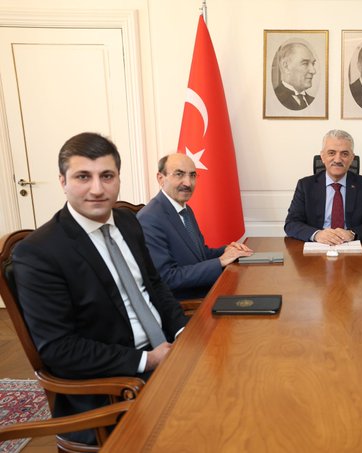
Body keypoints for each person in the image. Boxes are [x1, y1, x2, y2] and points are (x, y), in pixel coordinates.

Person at [12, 132, 188, 444]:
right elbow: (59, 349)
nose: (97, 189)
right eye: (83, 176)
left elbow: (155, 284)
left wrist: (183, 332)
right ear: (63, 181)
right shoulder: (39, 252)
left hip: (168, 355)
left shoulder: (128, 222)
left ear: (118, 178)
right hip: (113, 386)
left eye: (107, 176)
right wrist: (148, 360)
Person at [137, 153, 253, 299]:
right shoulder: (149, 218)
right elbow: (167, 278)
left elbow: (199, 254)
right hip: (188, 304)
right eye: (179, 174)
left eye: (192, 175)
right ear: (161, 178)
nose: (188, 183)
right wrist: (219, 262)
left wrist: (227, 250)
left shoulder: (185, 210)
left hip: (206, 291)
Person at [284, 129, 362, 244]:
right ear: (322, 156)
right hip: (318, 245)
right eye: (331, 153)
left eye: (344, 154)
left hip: (350, 245)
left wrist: (352, 233)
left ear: (352, 158)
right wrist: (316, 234)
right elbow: (291, 223)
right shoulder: (305, 185)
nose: (337, 160)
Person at [274, 42, 317, 110]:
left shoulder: (314, 101)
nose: (313, 71)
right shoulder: (273, 99)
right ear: (286, 67)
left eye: (313, 63)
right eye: (305, 63)